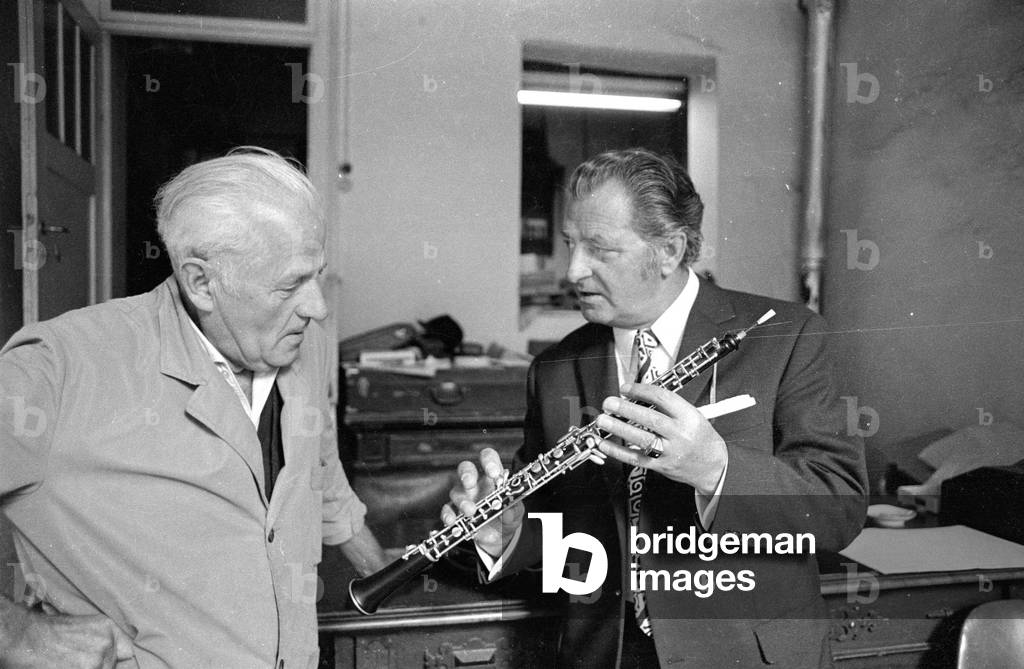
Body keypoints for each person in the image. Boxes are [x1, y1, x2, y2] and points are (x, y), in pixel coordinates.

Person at [444, 148, 867, 668]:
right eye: (571, 244)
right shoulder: (555, 367)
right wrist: (509, 539)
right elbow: (560, 540)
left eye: (600, 249)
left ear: (669, 250)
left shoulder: (790, 335)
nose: (574, 270)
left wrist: (715, 469)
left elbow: (838, 509)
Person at [0, 148, 385, 668]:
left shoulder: (299, 340)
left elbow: (320, 475)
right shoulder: (61, 367)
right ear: (201, 281)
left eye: (316, 274)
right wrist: (17, 635)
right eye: (291, 284)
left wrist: (382, 571)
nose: (317, 306)